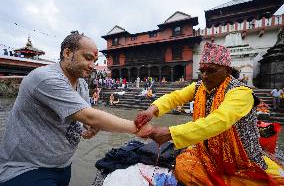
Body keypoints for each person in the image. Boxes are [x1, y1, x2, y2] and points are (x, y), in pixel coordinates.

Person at [0, 31, 148, 186]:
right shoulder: (45, 78)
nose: (92, 66)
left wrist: (90, 127)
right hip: (26, 169)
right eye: (88, 58)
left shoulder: (82, 84)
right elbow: (89, 116)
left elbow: (85, 118)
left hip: (63, 166)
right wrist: (138, 128)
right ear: (67, 52)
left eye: (95, 60)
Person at [135, 42, 284, 185]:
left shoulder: (241, 93)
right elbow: (175, 97)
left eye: (211, 71)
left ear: (228, 71)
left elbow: (218, 121)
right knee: (182, 166)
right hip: (210, 154)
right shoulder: (200, 86)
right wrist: (150, 111)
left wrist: (170, 133)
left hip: (241, 162)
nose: (205, 76)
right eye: (202, 71)